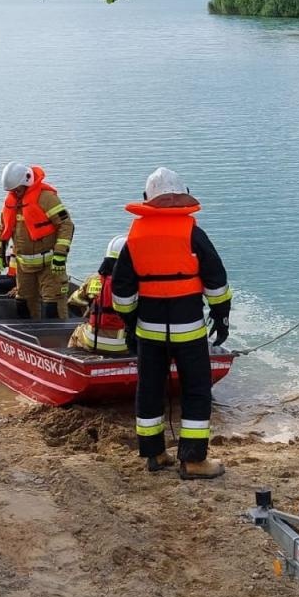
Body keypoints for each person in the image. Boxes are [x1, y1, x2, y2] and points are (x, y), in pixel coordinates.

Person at [112, 167, 231, 478]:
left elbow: (121, 291)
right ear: (183, 196)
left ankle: (155, 455)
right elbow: (216, 282)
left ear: (146, 200)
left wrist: (130, 323)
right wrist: (221, 316)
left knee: (149, 389)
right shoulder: (193, 232)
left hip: (148, 330)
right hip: (189, 328)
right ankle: (193, 461)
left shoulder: (134, 237)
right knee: (196, 390)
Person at [0, 161, 73, 322]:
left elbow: (66, 224)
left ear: (27, 182)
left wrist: (60, 254)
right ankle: (29, 339)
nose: (16, 193)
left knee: (53, 306)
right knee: (23, 304)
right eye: (12, 191)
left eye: (18, 190)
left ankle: (56, 341)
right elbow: (3, 228)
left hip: (50, 266)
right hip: (24, 267)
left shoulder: (47, 198)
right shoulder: (11, 202)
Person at [67, 235, 129, 354]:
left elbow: (74, 302)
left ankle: (69, 361)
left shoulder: (94, 279)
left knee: (77, 331)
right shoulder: (137, 284)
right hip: (124, 345)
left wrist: (92, 311)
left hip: (93, 341)